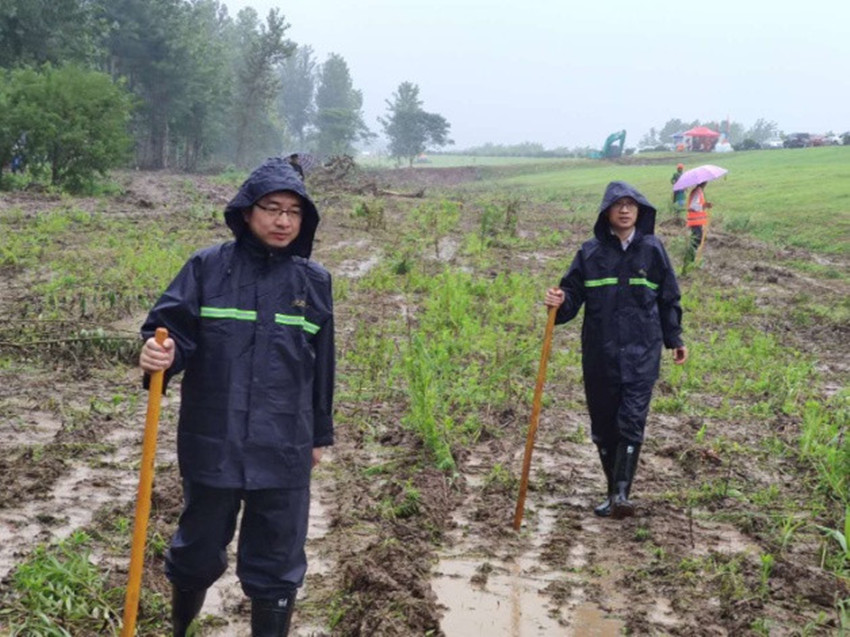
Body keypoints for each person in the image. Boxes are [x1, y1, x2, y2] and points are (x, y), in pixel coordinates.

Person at [138, 157, 335, 636]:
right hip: (214, 438)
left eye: (294, 212)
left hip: (284, 443)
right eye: (272, 208)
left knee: (277, 560)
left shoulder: (313, 281)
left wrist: (318, 436)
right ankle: (181, 628)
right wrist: (160, 353)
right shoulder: (207, 268)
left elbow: (321, 366)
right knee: (197, 549)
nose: (283, 221)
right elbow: (169, 332)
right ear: (247, 212)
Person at [544, 181, 687, 519]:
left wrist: (675, 338)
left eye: (630, 204)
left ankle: (621, 494)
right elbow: (570, 298)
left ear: (639, 211)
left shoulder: (653, 250)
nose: (624, 210)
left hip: (642, 353)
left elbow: (668, 297)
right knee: (604, 426)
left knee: (631, 420)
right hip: (601, 354)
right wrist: (558, 302)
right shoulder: (589, 253)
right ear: (606, 212)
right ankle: (613, 492)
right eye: (618, 205)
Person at [685, 181, 712, 263]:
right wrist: (704, 205)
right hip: (695, 221)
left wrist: (705, 205)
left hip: (697, 221)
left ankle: (691, 259)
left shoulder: (698, 191)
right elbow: (693, 206)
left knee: (696, 239)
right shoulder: (697, 192)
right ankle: (689, 259)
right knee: (696, 240)